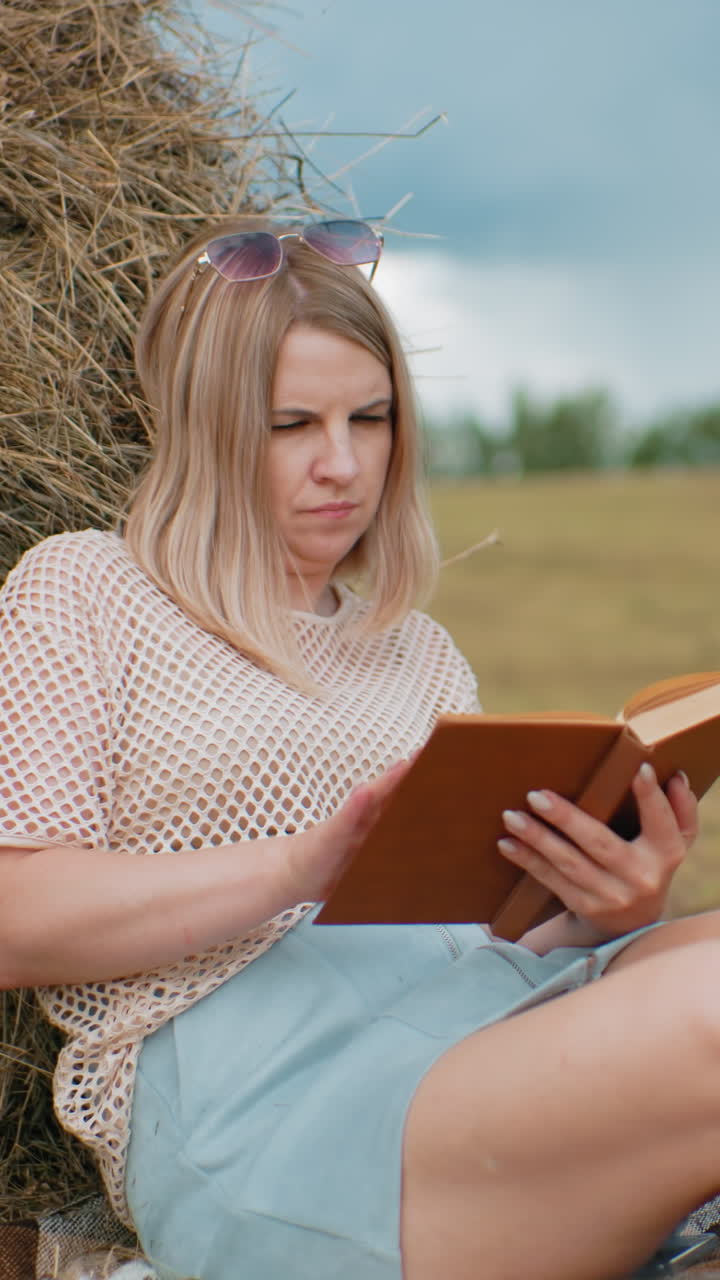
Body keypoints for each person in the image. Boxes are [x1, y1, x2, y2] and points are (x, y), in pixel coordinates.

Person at [0, 215, 719, 1280]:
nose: (343, 463)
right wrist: (298, 865)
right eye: (292, 423)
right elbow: (16, 920)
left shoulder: (420, 652)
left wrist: (609, 905)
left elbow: (494, 935)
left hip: (479, 1022)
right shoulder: (85, 590)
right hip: (278, 1101)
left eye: (371, 418)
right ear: (203, 424)